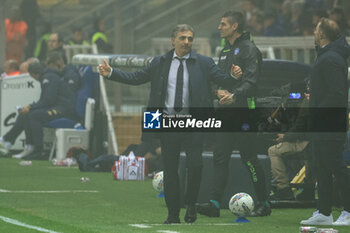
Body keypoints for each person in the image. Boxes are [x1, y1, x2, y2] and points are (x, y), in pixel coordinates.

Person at [99, 24, 235, 224]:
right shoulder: (159, 63)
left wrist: (235, 76)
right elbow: (136, 78)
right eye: (182, 38)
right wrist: (112, 73)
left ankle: (190, 204)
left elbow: (223, 79)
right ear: (173, 40)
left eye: (190, 38)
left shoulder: (204, 62)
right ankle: (172, 214)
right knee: (170, 169)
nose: (187, 42)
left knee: (195, 166)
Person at [196, 11, 270, 217]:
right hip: (226, 113)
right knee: (220, 157)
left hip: (244, 113)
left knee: (249, 159)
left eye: (223, 24)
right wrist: (217, 91)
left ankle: (264, 203)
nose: (219, 27)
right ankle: (214, 204)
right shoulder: (225, 50)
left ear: (235, 26)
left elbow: (251, 83)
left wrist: (234, 95)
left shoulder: (249, 49)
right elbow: (221, 80)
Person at [300, 18, 350, 226]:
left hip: (329, 123)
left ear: (322, 34)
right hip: (324, 123)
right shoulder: (328, 56)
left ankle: (347, 211)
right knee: (321, 167)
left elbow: (337, 93)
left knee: (335, 166)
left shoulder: (330, 58)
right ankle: (324, 211)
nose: (313, 32)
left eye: (316, 29)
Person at [0, 54, 76, 160]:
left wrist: (31, 107)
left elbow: (49, 100)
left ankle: (38, 150)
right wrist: (30, 107)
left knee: (34, 115)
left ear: (34, 74)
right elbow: (46, 100)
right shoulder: (47, 76)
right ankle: (24, 145)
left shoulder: (48, 78)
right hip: (58, 105)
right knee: (26, 114)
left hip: (64, 109)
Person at [268, 91, 310, 200]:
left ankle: (283, 189)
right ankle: (308, 189)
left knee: (273, 151)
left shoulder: (308, 103)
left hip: (307, 141)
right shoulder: (326, 99)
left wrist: (285, 137)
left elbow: (299, 127)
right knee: (311, 156)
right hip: (319, 141)